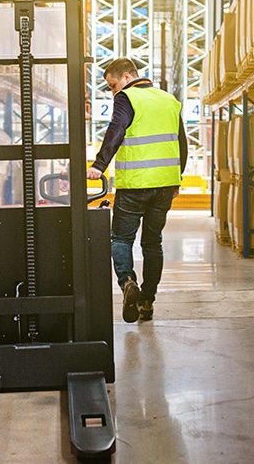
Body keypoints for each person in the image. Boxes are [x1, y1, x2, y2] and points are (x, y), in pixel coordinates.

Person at [87, 58, 188, 323]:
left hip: (134, 185)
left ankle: (128, 282)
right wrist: (177, 177)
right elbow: (182, 142)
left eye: (113, 85)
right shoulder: (169, 100)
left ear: (127, 76)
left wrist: (99, 165)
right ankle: (147, 302)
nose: (113, 92)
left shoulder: (126, 98)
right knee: (153, 243)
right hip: (165, 185)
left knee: (121, 239)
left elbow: (116, 130)